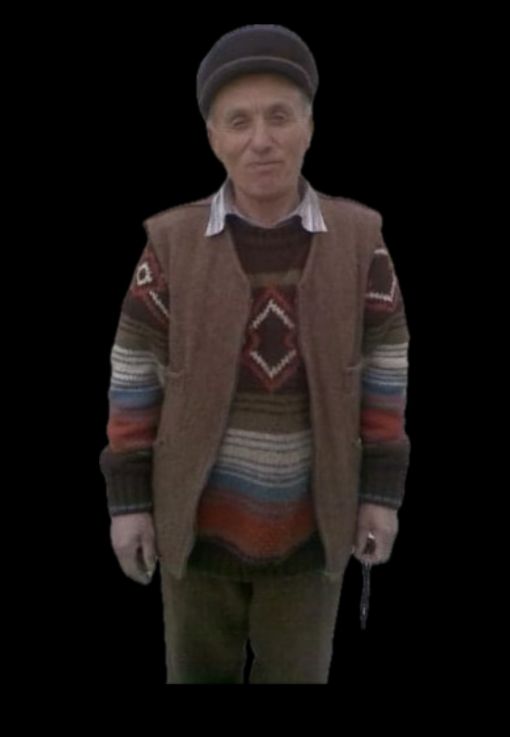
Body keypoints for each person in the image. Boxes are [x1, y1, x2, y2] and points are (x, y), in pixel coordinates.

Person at [99, 23, 411, 684]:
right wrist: (128, 504)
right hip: (193, 536)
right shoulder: (170, 246)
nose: (261, 139)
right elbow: (133, 377)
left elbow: (386, 369)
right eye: (238, 122)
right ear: (214, 137)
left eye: (279, 116)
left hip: (313, 535)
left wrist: (380, 495)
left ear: (309, 127)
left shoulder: (362, 242)